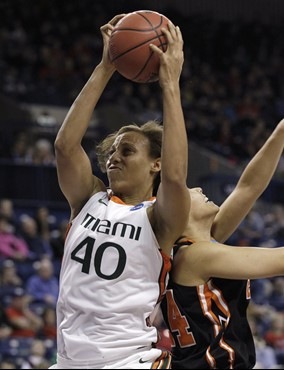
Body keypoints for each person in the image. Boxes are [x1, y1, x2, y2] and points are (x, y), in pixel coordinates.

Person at [52, 14, 190, 370]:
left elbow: (176, 178)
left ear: (155, 164)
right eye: (112, 151)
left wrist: (170, 85)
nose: (114, 158)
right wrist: (105, 68)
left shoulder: (158, 217)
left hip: (129, 361)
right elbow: (66, 147)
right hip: (68, 361)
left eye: (127, 151)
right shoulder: (89, 199)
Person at [161, 119, 284, 369]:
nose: (197, 188)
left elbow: (248, 188)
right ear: (177, 211)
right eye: (189, 191)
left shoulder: (199, 246)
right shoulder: (197, 256)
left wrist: (281, 130)